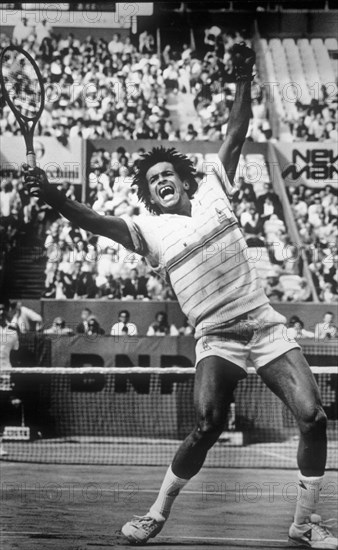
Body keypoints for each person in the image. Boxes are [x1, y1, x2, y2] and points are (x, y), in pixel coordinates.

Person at [23, 43, 337, 549]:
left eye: (167, 173)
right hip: (215, 337)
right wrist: (56, 196)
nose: (162, 181)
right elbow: (91, 221)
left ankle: (304, 523)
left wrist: (242, 79)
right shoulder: (147, 228)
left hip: (263, 325)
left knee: (313, 417)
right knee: (209, 422)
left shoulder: (216, 184)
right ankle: (155, 514)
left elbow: (235, 132)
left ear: (182, 177)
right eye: (153, 181)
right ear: (148, 195)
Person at [0, 300, 20, 457]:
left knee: (2, 411)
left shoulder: (13, 332)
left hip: (5, 375)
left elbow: (16, 354)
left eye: (2, 309)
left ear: (6, 311)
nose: (0, 312)